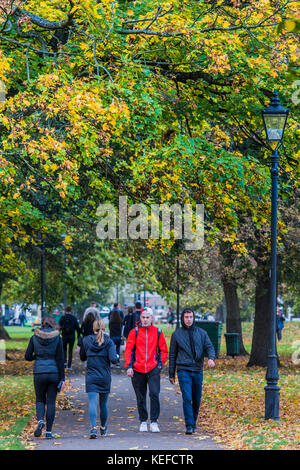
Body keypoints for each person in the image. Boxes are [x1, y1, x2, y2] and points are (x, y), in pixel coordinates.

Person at [169, 307, 215, 435]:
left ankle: (193, 422)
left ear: (193, 318)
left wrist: (211, 358)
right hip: (183, 370)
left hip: (198, 370)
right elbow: (172, 355)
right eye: (186, 317)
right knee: (187, 397)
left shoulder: (202, 333)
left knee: (197, 398)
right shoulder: (176, 334)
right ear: (182, 319)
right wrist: (171, 374)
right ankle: (189, 425)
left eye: (190, 317)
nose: (188, 320)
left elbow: (209, 346)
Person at [124, 307, 168, 433]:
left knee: (154, 394)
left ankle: (154, 421)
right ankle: (143, 421)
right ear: (140, 318)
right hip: (137, 369)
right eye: (143, 317)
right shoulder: (134, 332)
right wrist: (129, 366)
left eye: (147, 317)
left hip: (153, 368)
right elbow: (129, 350)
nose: (145, 320)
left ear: (152, 318)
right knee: (140, 396)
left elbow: (163, 350)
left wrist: (160, 364)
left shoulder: (158, 332)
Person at [25, 315, 65, 439]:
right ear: (53, 324)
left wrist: (36, 357)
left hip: (39, 372)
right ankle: (48, 432)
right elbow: (60, 359)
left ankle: (40, 420)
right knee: (51, 402)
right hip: (54, 373)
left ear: (42, 324)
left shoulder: (34, 337)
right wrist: (62, 378)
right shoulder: (58, 338)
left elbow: (27, 356)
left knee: (40, 400)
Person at [80, 318, 118, 439]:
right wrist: (117, 357)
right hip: (104, 376)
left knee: (92, 402)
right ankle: (102, 427)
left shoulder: (86, 340)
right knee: (103, 404)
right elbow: (113, 359)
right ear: (104, 328)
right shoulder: (109, 342)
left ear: (93, 329)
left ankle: (93, 428)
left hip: (91, 375)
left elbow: (82, 357)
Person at [59, 306, 81, 370]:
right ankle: (69, 366)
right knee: (70, 350)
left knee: (64, 349)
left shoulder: (62, 318)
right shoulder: (74, 318)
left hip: (64, 336)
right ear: (71, 311)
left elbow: (59, 327)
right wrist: (78, 335)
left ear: (65, 311)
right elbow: (77, 328)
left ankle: (64, 362)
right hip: (72, 336)